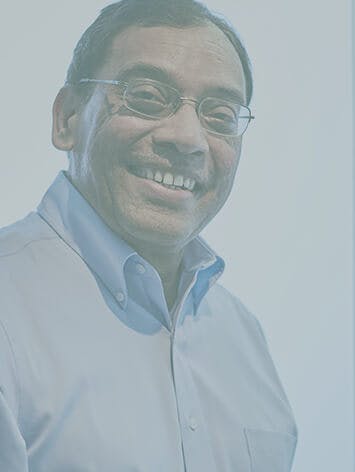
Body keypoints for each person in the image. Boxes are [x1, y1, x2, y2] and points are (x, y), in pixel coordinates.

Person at [0, 0, 297, 470]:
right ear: (68, 118)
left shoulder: (242, 335)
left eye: (220, 115)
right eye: (146, 96)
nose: (188, 139)